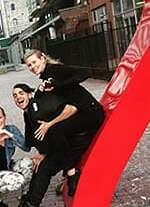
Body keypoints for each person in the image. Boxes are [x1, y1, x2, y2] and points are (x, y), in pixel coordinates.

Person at [9, 83, 105, 207]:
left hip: (73, 142)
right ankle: (28, 204)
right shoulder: (28, 114)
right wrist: (42, 154)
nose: (18, 97)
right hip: (59, 145)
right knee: (38, 167)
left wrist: (47, 147)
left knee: (44, 169)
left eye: (21, 93)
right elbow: (33, 140)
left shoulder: (41, 107)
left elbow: (64, 119)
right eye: (15, 96)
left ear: (30, 94)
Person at [23, 48, 104, 195]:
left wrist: (59, 84)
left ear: (43, 59)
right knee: (57, 133)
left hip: (91, 112)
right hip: (80, 112)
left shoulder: (55, 70)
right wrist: (41, 90)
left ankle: (71, 173)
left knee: (55, 130)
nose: (33, 67)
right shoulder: (46, 77)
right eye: (29, 65)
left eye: (34, 62)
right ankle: (69, 172)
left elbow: (83, 74)